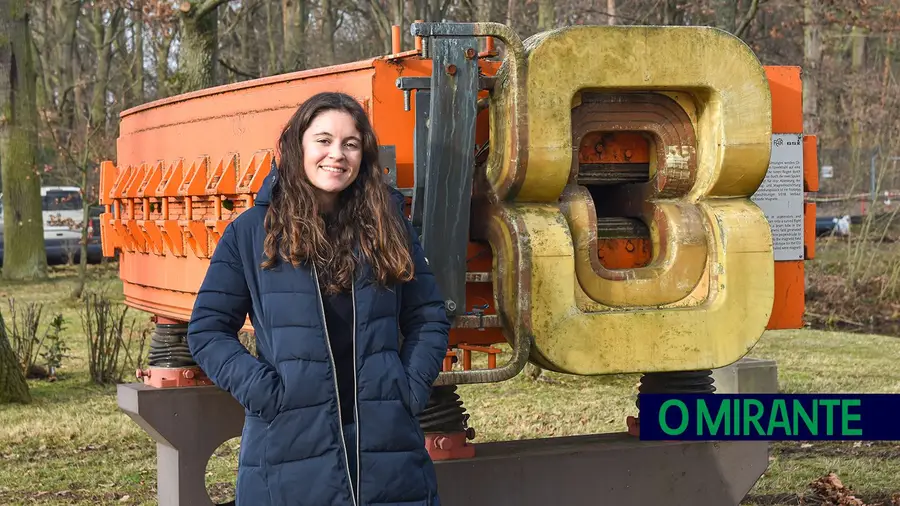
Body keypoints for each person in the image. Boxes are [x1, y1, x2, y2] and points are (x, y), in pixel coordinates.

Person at [187, 91, 451, 505]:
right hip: (290, 442)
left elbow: (429, 316)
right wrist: (268, 395)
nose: (337, 155)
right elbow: (208, 330)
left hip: (385, 444)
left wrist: (408, 389)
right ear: (298, 146)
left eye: (350, 143)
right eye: (323, 140)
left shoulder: (387, 226)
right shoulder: (253, 232)